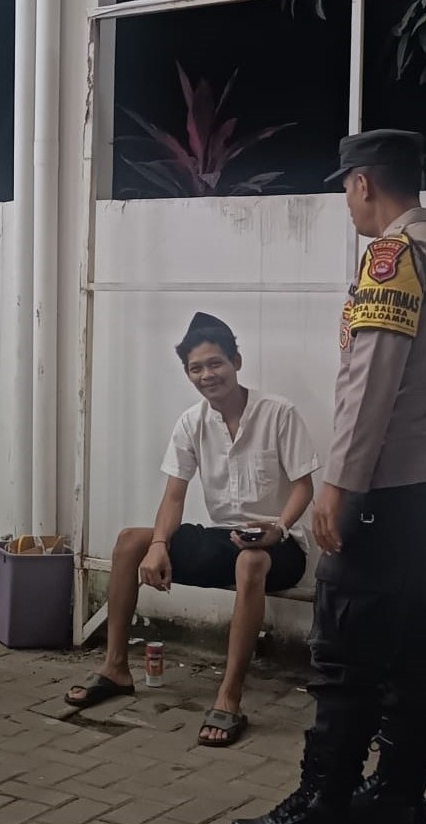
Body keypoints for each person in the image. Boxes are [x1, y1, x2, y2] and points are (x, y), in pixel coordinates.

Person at [229, 130, 426, 824]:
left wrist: (340, 484)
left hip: (383, 487)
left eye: (345, 188)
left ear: (363, 182)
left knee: (343, 652)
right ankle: (397, 797)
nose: (345, 201)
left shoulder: (393, 256)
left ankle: (321, 812)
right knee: (410, 644)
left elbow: (370, 384)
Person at [65, 313, 320, 747]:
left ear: (236, 361)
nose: (207, 375)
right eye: (195, 368)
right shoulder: (191, 422)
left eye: (215, 363)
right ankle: (115, 668)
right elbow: (174, 496)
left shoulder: (278, 413)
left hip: (280, 546)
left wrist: (278, 527)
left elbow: (304, 487)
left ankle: (229, 696)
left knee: (250, 561)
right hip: (224, 538)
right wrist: (158, 545)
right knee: (131, 542)